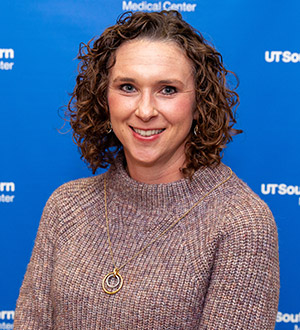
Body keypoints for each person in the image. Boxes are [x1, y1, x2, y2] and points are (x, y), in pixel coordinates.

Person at [14, 10, 279, 329]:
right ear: (104, 98)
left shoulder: (241, 222)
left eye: (167, 89)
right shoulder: (66, 206)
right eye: (127, 87)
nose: (145, 110)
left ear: (199, 104)